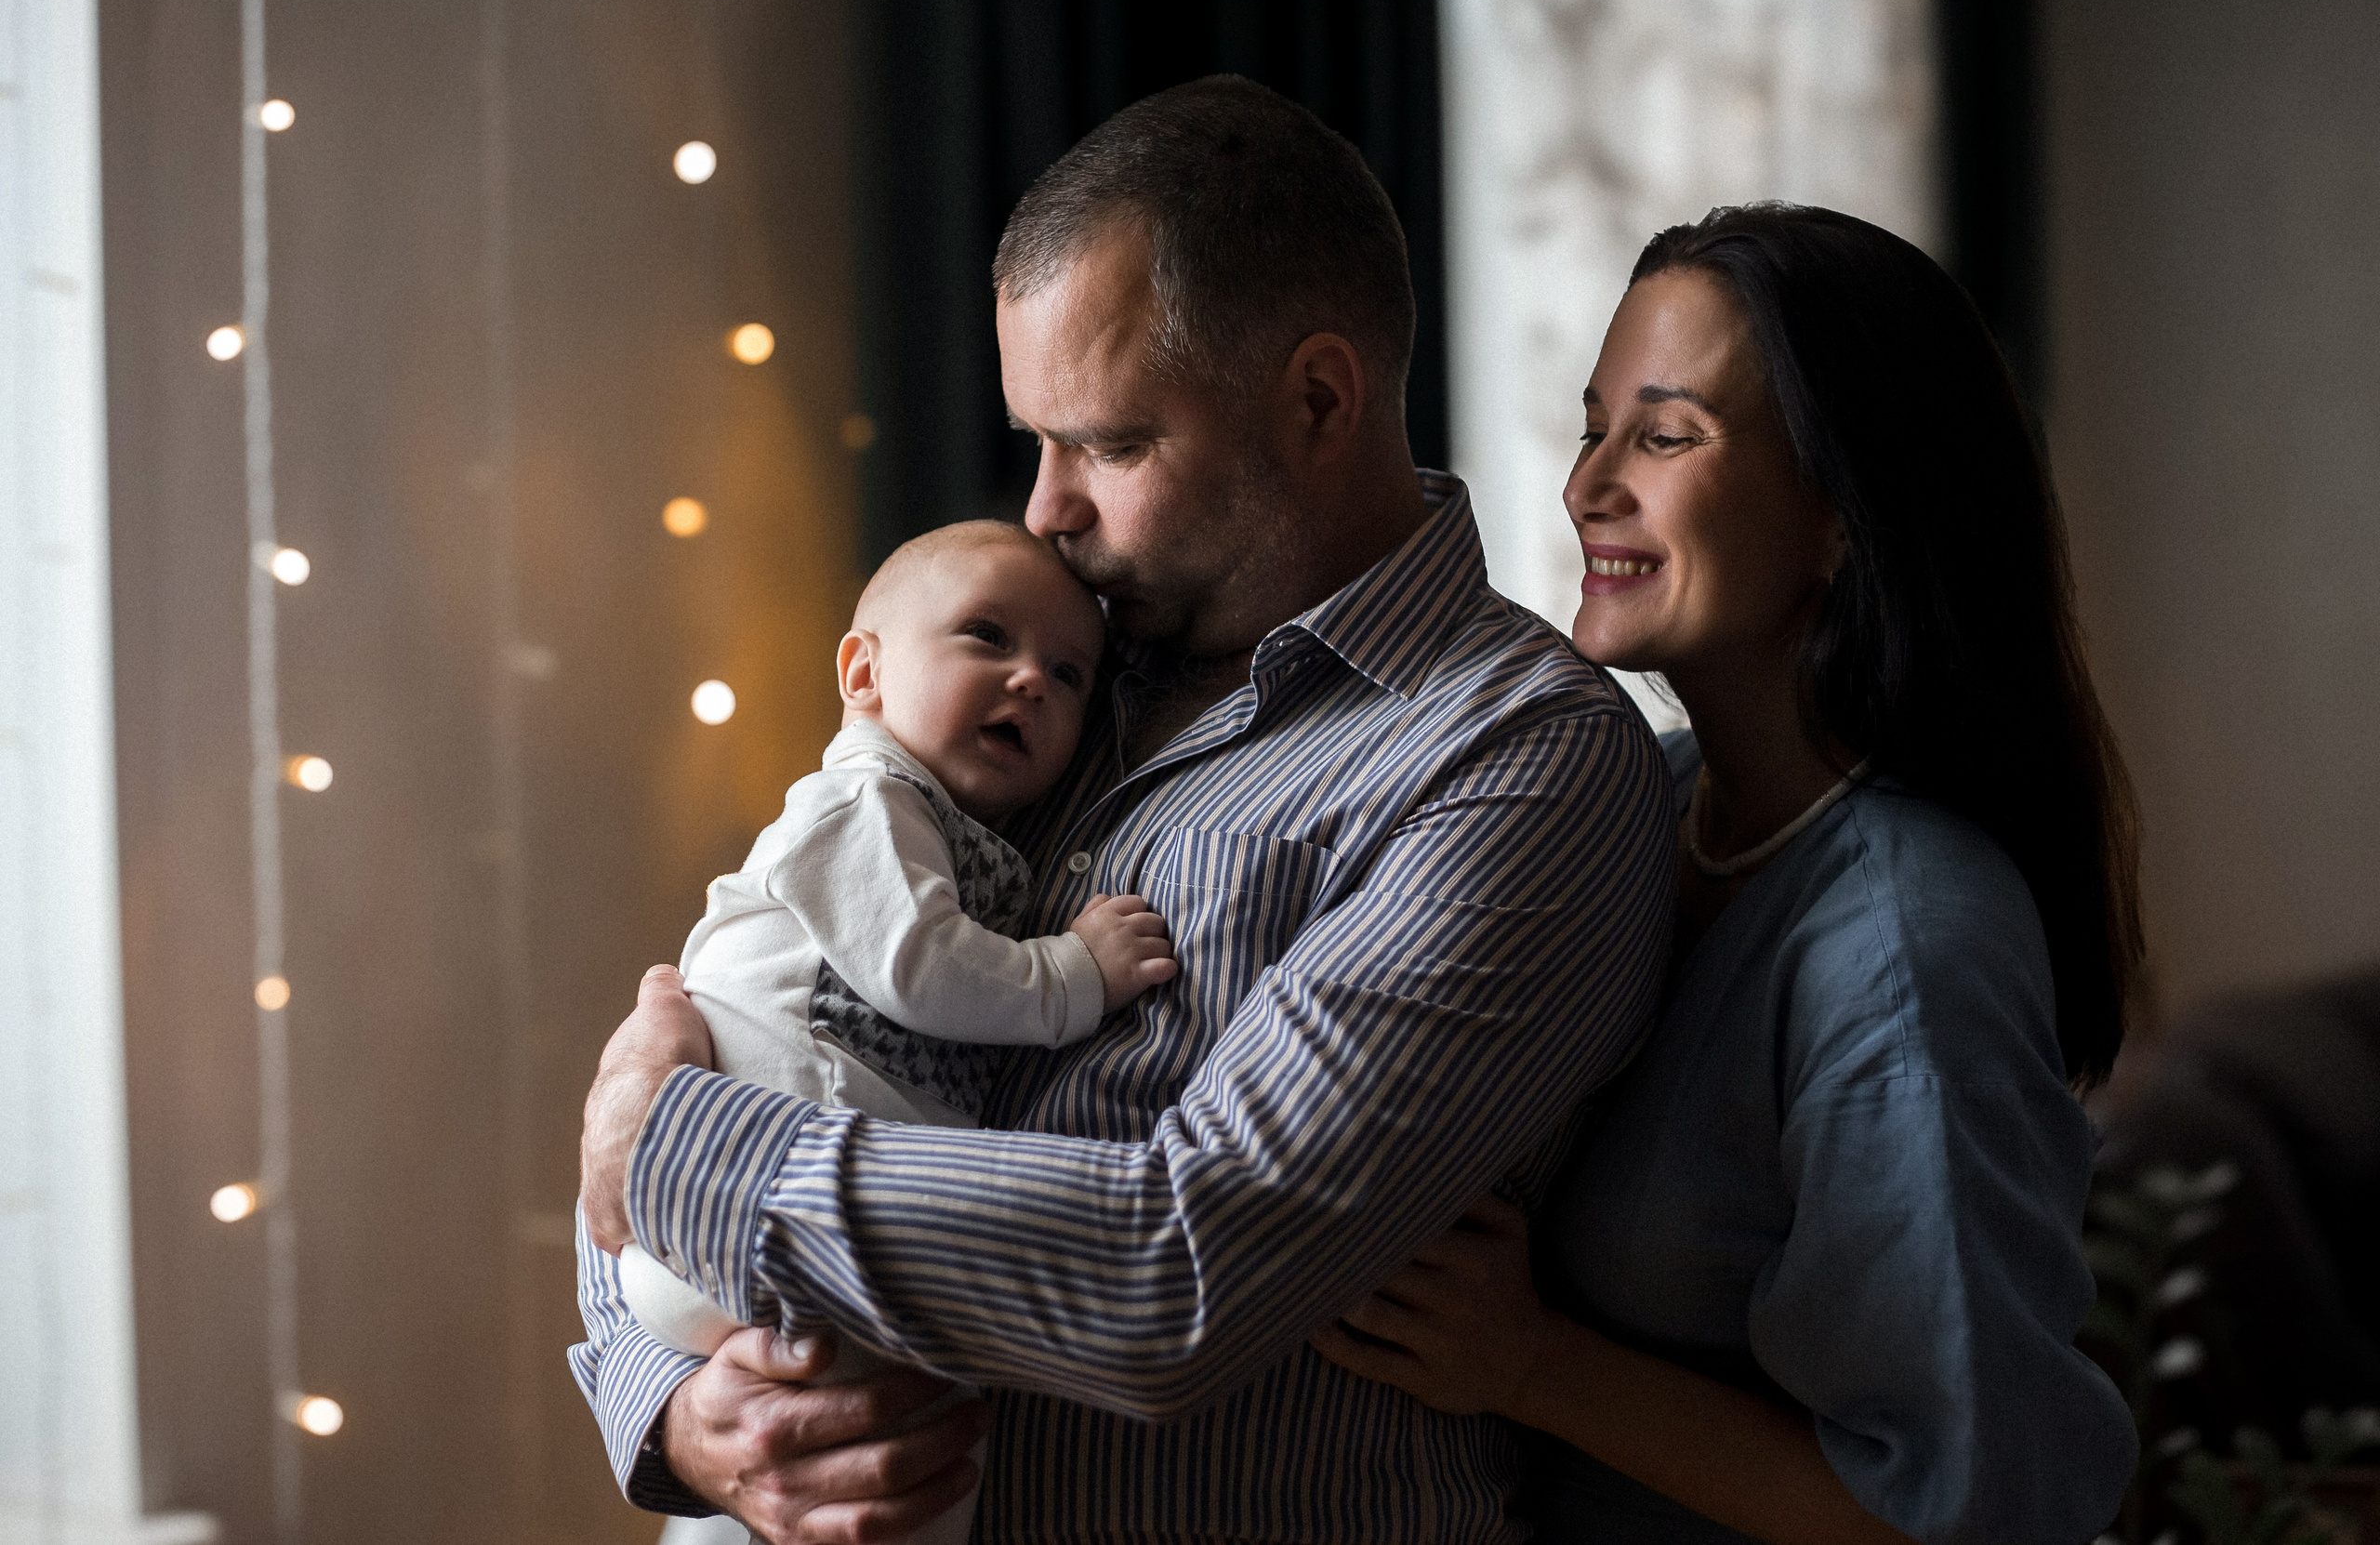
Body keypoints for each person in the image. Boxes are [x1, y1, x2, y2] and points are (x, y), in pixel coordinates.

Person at [571, 75, 1674, 1544]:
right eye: (1036, 440)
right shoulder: (1032, 666)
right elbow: (726, 1018)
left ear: (1320, 398)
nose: (1044, 510)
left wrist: (680, 1154)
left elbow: (1180, 1273)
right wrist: (674, 1407)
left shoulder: (1518, 760)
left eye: (1109, 444)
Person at [1311, 205, 2143, 1542]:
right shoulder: (1651, 799)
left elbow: (1968, 1514)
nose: (1587, 485)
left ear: (1845, 512)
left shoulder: (1908, 949)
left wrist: (1531, 1362)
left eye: (1666, 433)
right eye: (1594, 427)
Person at [585, 521, 1177, 1545]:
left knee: (890, 1479)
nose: (1032, 680)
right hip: (735, 1222)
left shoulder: (944, 819)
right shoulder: (860, 799)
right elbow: (919, 962)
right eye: (987, 637)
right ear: (863, 672)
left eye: (1071, 673)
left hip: (789, 1237)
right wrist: (1073, 973)